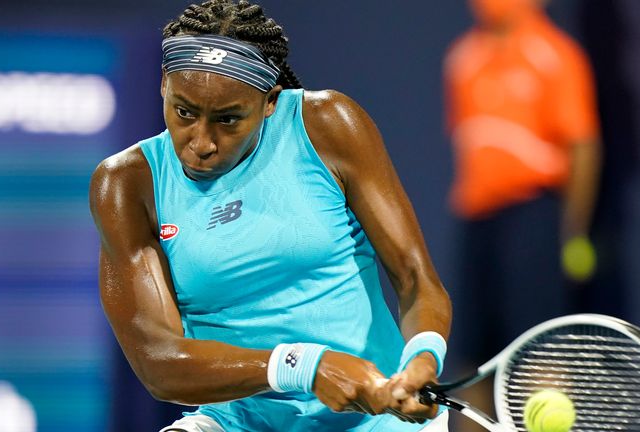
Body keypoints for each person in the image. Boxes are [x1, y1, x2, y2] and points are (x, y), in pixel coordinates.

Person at [88, 1, 452, 431]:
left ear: (270, 102)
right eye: (184, 112)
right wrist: (304, 366)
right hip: (237, 421)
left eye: (228, 120)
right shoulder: (127, 183)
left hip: (378, 420)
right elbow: (159, 363)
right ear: (164, 84)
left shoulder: (329, 125)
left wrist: (422, 357)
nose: (201, 142)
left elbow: (415, 279)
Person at [443, 0, 601, 429]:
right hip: (477, 220)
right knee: (469, 362)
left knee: (539, 353)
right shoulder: (462, 59)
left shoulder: (556, 55)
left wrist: (572, 234)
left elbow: (583, 148)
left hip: (533, 218)